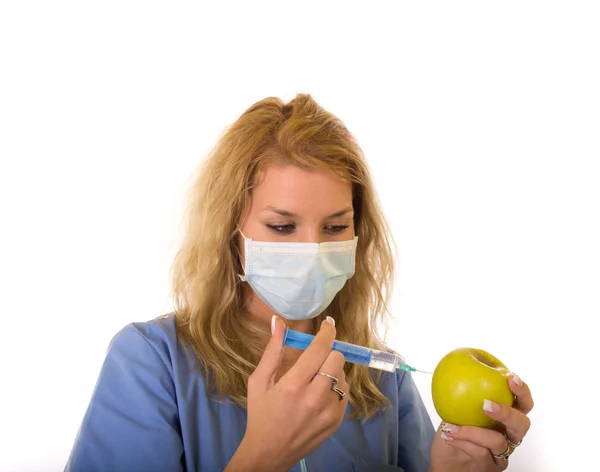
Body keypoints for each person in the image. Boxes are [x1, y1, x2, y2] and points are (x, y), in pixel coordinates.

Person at [64, 94, 534, 472]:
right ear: (232, 233)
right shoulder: (152, 363)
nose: (312, 250)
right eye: (283, 227)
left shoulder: (382, 382)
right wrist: (261, 459)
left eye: (334, 228)